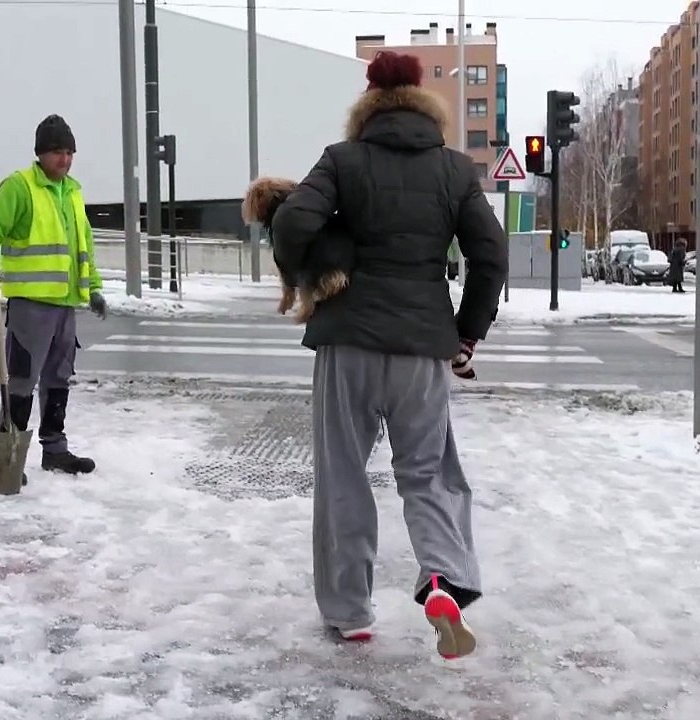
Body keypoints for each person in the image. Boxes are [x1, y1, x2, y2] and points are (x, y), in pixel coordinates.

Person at [270, 51, 509, 659]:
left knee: (344, 476)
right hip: (422, 350)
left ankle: (350, 612)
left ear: (368, 101)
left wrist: (307, 275)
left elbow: (293, 219)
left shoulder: (342, 160)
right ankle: (442, 580)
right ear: (424, 102)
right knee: (428, 474)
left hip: (347, 341)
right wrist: (466, 331)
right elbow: (491, 255)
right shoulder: (454, 170)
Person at [0, 114, 106, 477]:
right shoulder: (20, 187)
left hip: (65, 304)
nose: (64, 160)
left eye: (69, 152)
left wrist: (93, 288)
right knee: (21, 380)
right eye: (57, 153)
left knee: (58, 379)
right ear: (40, 154)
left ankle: (55, 450)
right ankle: (9, 456)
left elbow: (84, 247)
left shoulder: (73, 191)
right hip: (31, 303)